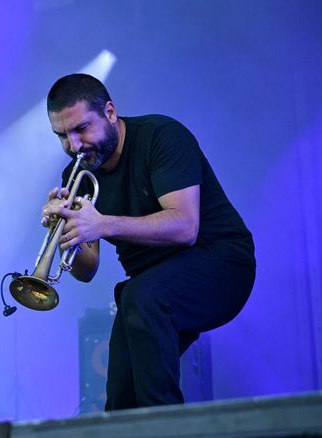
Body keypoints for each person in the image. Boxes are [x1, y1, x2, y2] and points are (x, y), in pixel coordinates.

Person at [42, 73, 255, 410]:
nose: (74, 146)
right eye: (62, 136)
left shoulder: (161, 136)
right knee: (120, 398)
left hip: (221, 264)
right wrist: (65, 231)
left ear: (110, 112)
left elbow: (185, 226)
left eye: (81, 128)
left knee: (139, 296)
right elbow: (87, 270)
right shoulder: (76, 175)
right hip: (150, 290)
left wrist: (101, 223)